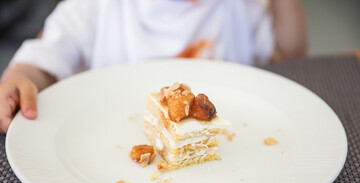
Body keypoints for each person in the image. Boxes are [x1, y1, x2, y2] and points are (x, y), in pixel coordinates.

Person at [0, 0, 308, 133]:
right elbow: (42, 60)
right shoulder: (96, 8)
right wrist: (21, 77)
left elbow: (288, 53)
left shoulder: (236, 8)